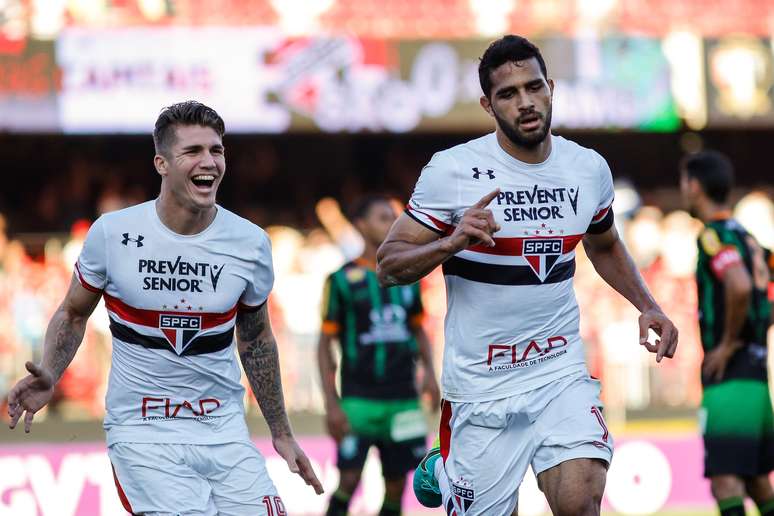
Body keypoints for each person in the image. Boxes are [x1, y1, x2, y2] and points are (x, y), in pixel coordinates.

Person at [376, 35, 679, 516]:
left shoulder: (586, 170)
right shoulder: (453, 171)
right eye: (508, 94)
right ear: (487, 105)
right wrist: (450, 242)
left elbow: (604, 243)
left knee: (582, 501)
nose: (526, 102)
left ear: (551, 87)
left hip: (559, 374)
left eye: (533, 87)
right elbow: (388, 266)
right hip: (480, 390)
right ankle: (451, 462)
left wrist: (648, 304)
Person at [7, 101, 323, 515]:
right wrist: (51, 370)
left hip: (224, 432)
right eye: (192, 151)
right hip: (143, 435)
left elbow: (257, 339)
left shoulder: (250, 244)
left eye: (217, 150)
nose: (209, 161)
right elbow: (72, 313)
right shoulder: (113, 235)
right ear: (162, 163)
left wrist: (280, 431)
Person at [318, 195, 441, 516]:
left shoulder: (410, 277)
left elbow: (418, 330)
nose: (391, 223)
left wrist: (429, 373)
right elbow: (323, 344)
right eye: (383, 217)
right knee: (348, 478)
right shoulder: (341, 280)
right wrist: (331, 402)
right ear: (360, 225)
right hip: (359, 400)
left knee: (398, 484)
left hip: (404, 399)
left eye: (394, 217)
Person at [680, 150, 774, 516]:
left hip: (731, 375)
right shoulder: (748, 239)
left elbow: (735, 284)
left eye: (684, 182)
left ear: (695, 186)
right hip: (756, 374)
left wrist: (731, 342)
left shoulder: (713, 236)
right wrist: (758, 328)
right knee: (756, 481)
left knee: (725, 482)